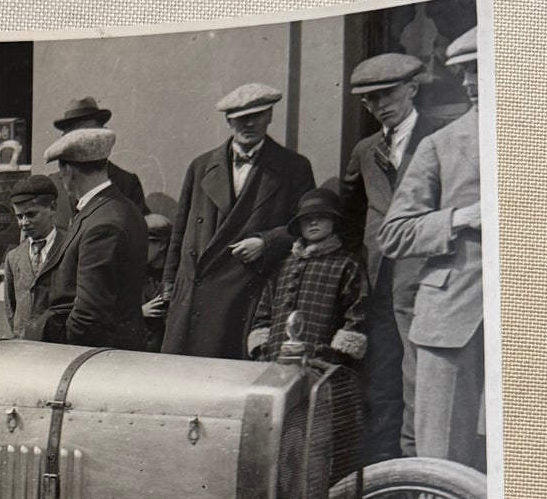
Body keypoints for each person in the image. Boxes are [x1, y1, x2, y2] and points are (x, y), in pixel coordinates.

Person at [376, 26, 485, 470]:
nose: (470, 81)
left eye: (478, 69)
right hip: (452, 319)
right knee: (441, 461)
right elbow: (395, 233)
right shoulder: (442, 144)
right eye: (466, 71)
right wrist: (461, 218)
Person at [160, 83, 315, 359]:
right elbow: (181, 232)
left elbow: (306, 226)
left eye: (258, 115)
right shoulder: (201, 165)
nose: (250, 123)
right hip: (196, 294)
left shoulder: (293, 166)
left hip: (251, 290)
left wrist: (266, 243)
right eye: (241, 118)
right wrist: (170, 286)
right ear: (228, 120)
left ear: (270, 116)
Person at [339, 54, 443, 461]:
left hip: (427, 278)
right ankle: (385, 474)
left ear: (412, 89)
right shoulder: (366, 150)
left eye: (388, 94)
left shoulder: (440, 137)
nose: (380, 105)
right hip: (379, 281)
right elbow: (349, 214)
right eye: (370, 100)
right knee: (381, 379)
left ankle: (421, 474)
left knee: (422, 379)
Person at [33, 128, 147, 349]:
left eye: (60, 170)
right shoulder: (121, 208)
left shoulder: (101, 224)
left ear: (69, 171)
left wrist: (63, 353)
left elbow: (88, 317)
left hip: (95, 357)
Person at [247, 188, 367, 364]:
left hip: (322, 363)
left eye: (321, 217)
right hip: (275, 359)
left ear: (334, 222)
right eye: (306, 219)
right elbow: (264, 314)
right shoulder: (284, 264)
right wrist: (262, 351)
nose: (313, 223)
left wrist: (334, 356)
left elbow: (356, 316)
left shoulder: (348, 264)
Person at [50, 95, 148, 214]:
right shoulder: (52, 185)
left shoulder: (127, 183)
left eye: (90, 133)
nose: (84, 141)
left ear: (103, 136)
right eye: (77, 135)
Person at [0, 175, 62, 340]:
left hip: (60, 345)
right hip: (25, 347)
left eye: (31, 214)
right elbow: (11, 307)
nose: (23, 223)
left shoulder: (69, 247)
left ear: (52, 208)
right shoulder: (13, 258)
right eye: (19, 217)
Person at [140, 214, 173, 351]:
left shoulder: (175, 277)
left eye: (143, 243)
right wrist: (139, 312)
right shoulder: (133, 272)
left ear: (162, 245)